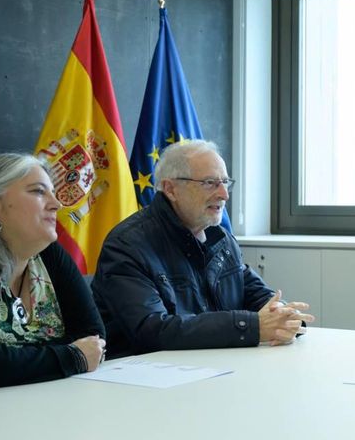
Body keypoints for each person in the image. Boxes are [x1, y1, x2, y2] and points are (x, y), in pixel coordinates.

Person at [92, 140, 313, 357]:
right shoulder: (127, 245)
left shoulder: (221, 239)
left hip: (213, 365)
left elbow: (256, 295)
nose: (224, 194)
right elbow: (153, 330)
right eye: (209, 183)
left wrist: (283, 316)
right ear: (171, 189)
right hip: (141, 372)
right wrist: (252, 326)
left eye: (225, 182)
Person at [0, 153, 106, 387]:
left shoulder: (49, 253)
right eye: (38, 191)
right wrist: (71, 356)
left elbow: (93, 339)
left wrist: (16, 361)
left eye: (52, 192)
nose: (57, 204)